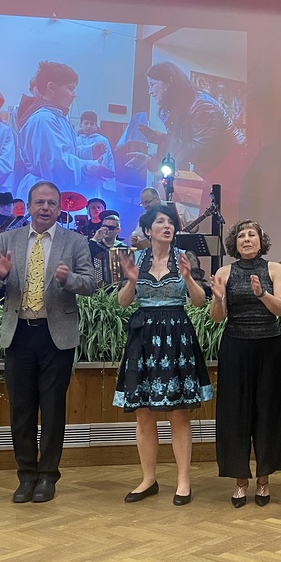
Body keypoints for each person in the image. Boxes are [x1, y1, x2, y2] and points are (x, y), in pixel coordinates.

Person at [0, 181, 97, 504]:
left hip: (55, 335)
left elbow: (90, 284)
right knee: (21, 409)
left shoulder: (75, 241)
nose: (46, 208)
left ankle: (48, 476)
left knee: (53, 409)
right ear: (28, 206)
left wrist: (68, 279)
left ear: (59, 208)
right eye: (40, 202)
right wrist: (0, 274)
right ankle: (26, 475)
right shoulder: (9, 239)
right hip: (19, 333)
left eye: (51, 203)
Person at [113, 204, 212, 506]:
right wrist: (132, 281)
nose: (167, 226)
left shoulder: (184, 257)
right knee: (144, 413)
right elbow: (122, 302)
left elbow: (199, 301)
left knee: (178, 412)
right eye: (160, 222)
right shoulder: (137, 259)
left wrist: (189, 278)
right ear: (147, 230)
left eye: (170, 222)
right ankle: (148, 479)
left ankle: (183, 481)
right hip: (143, 337)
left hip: (176, 335)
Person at [209, 220, 281, 508]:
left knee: (267, 413)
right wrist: (218, 299)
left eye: (251, 234)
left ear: (260, 240)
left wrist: (261, 294)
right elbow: (218, 317)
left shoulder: (274, 269)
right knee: (235, 414)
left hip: (269, 347)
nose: (246, 239)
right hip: (235, 347)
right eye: (241, 235)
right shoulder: (225, 272)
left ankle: (264, 480)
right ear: (235, 243)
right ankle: (240, 481)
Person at [126, 61, 246, 175]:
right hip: (218, 168)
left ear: (169, 82)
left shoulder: (202, 107)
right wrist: (150, 159)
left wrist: (161, 139)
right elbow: (183, 146)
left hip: (233, 166)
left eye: (152, 84)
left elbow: (198, 151)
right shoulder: (180, 107)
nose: (150, 91)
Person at [13, 61, 113, 197]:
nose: (74, 94)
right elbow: (56, 166)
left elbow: (67, 152)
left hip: (54, 189)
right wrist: (91, 167)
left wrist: (89, 152)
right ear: (51, 87)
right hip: (43, 192)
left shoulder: (58, 117)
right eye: (70, 88)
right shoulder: (44, 119)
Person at [76, 110, 116, 200]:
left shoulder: (102, 140)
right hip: (80, 179)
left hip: (97, 181)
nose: (89, 126)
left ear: (96, 126)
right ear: (81, 124)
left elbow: (104, 161)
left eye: (92, 124)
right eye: (86, 123)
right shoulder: (76, 140)